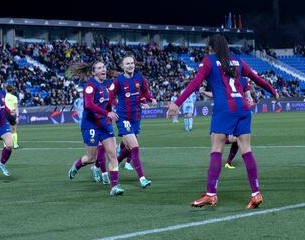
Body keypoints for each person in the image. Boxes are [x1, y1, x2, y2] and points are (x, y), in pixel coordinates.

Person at [168, 34, 279, 208]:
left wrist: (177, 103)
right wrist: (273, 91)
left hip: (224, 109)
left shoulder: (209, 60)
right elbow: (256, 78)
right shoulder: (238, 61)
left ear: (211, 48)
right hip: (243, 108)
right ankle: (255, 193)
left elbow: (196, 82)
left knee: (216, 149)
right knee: (247, 150)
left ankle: (211, 194)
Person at [67, 61, 124, 196]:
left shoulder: (106, 86)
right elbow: (89, 105)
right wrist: (107, 113)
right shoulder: (90, 86)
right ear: (93, 72)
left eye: (104, 67)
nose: (103, 69)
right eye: (99, 68)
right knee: (91, 158)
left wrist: (112, 114)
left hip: (104, 124)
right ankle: (77, 165)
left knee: (112, 155)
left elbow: (108, 104)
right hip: (90, 125)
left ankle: (114, 186)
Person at [108, 55, 157, 188]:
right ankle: (142, 179)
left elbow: (145, 92)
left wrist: (151, 99)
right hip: (123, 118)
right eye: (127, 64)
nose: (130, 65)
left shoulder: (140, 78)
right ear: (122, 66)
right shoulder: (118, 81)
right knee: (135, 147)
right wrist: (112, 109)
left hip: (136, 118)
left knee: (129, 148)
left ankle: (114, 164)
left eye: (132, 63)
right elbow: (110, 97)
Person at [5, 84, 20, 149]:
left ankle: (5, 145)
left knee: (5, 131)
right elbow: (16, 108)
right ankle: (15, 144)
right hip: (12, 114)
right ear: (12, 90)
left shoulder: (3, 97)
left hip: (5, 114)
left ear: (6, 90)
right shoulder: (14, 97)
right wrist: (17, 116)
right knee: (14, 130)